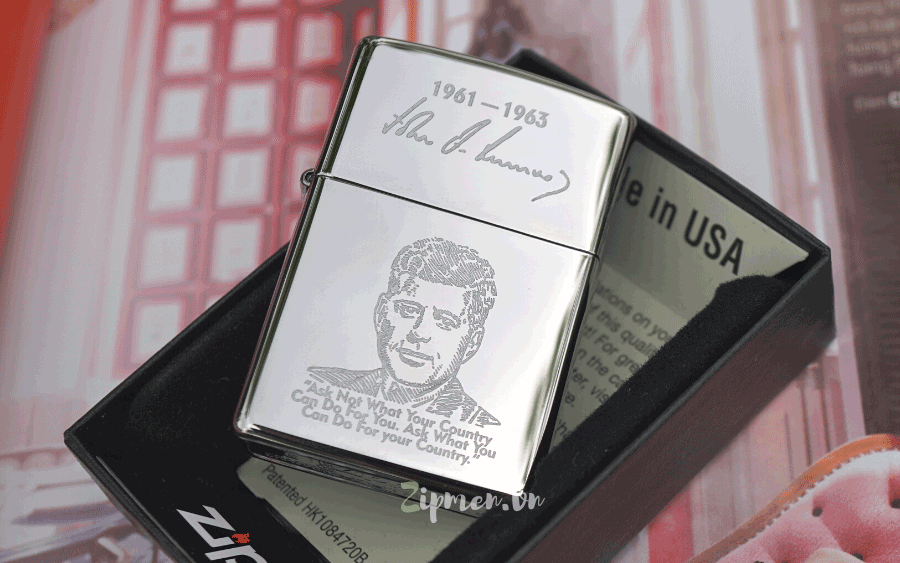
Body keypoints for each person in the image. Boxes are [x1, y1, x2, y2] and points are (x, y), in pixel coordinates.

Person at [308, 238, 500, 427]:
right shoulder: (317, 385)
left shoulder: (482, 427)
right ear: (381, 314)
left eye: (445, 321)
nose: (420, 333)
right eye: (408, 310)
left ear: (472, 343)